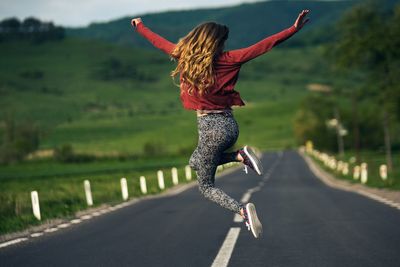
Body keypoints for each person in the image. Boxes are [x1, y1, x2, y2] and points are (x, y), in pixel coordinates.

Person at [131, 9, 310, 238]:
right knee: (195, 162)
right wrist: (293, 29)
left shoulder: (184, 56)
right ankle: (239, 156)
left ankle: (242, 210)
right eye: (223, 42)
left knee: (206, 187)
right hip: (229, 125)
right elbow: (264, 45)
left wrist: (139, 26)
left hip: (210, 129)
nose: (224, 46)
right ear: (216, 43)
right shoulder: (230, 59)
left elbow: (158, 42)